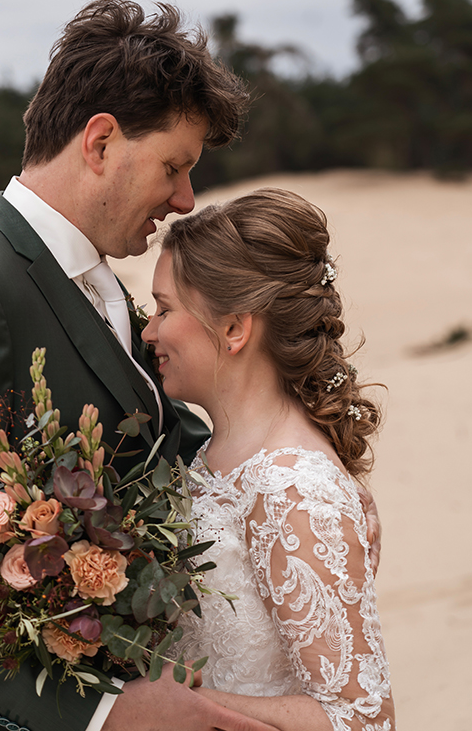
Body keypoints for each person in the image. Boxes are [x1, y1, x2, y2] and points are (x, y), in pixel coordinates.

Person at [0, 0, 275, 731]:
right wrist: (99, 714)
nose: (185, 198)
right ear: (100, 142)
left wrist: (297, 483)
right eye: (173, 167)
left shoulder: (95, 280)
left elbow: (155, 446)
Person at [141, 188, 395, 731]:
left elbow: (362, 718)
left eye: (164, 309)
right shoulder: (214, 456)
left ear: (234, 329)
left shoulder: (294, 489)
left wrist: (184, 708)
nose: (149, 332)